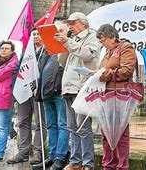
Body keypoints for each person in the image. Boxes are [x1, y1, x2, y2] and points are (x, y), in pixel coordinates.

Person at [55, 12, 101, 170]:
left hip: (81, 88)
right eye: (69, 24)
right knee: (72, 127)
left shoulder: (92, 36)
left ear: (83, 23)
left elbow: (88, 55)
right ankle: (75, 162)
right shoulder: (72, 39)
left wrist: (68, 42)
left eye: (73, 23)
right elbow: (62, 62)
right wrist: (62, 45)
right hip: (68, 88)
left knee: (83, 128)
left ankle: (88, 163)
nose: (70, 27)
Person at [95, 24, 137, 170]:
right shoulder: (107, 52)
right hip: (106, 95)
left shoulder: (126, 47)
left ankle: (122, 165)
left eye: (104, 40)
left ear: (113, 36)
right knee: (106, 133)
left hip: (120, 95)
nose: (103, 43)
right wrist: (96, 74)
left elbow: (126, 70)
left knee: (120, 133)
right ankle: (108, 165)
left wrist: (104, 75)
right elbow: (104, 70)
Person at [7, 30, 48, 165]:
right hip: (24, 92)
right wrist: (15, 88)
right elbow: (17, 71)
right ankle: (23, 152)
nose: (36, 36)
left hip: (38, 91)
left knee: (40, 123)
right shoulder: (26, 53)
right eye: (33, 34)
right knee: (23, 121)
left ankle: (37, 152)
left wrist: (40, 86)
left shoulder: (47, 51)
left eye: (38, 34)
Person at [31, 27, 69, 170]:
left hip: (59, 92)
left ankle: (60, 157)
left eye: (61, 30)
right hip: (46, 93)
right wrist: (38, 88)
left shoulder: (68, 46)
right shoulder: (46, 50)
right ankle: (52, 156)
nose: (57, 33)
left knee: (62, 124)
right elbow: (40, 71)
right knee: (52, 126)